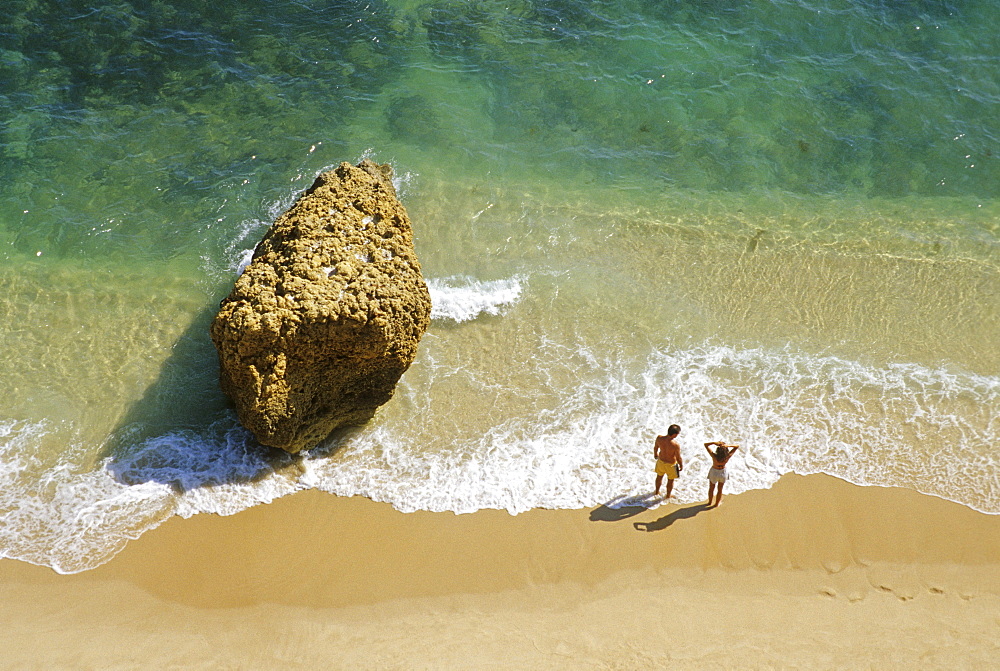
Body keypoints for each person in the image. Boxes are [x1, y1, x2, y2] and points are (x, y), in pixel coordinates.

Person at [704, 441, 739, 508]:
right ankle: (717, 504)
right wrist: (728, 445)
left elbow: (705, 445)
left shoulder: (714, 456)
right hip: (723, 472)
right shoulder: (727, 457)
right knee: (720, 489)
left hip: (714, 472)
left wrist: (714, 443)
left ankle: (709, 502)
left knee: (711, 488)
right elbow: (737, 446)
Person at [653, 424, 683, 499]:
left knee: (659, 477)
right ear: (674, 434)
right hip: (671, 465)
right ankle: (668, 495)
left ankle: (657, 491)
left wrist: (655, 454)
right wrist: (681, 465)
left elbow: (656, 447)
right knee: (670, 480)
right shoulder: (675, 445)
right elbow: (678, 457)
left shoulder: (659, 438)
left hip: (661, 461)